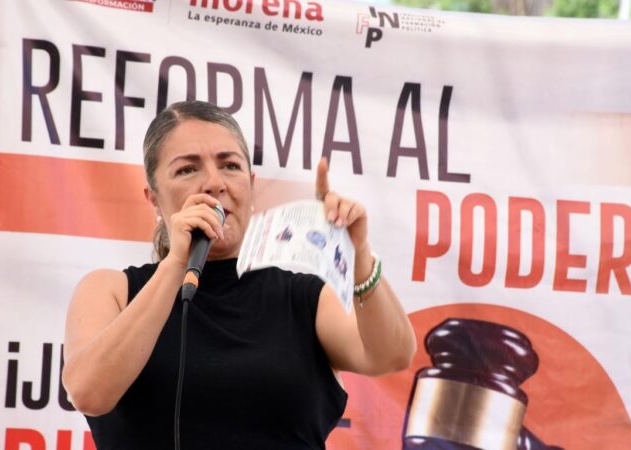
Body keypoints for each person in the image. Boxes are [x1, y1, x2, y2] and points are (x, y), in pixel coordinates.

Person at [62, 100, 417, 449]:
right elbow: (89, 393)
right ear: (153, 198)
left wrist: (359, 255)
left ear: (251, 185)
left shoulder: (303, 299)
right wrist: (176, 264)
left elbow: (391, 354)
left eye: (230, 166)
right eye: (187, 170)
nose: (214, 183)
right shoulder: (112, 290)